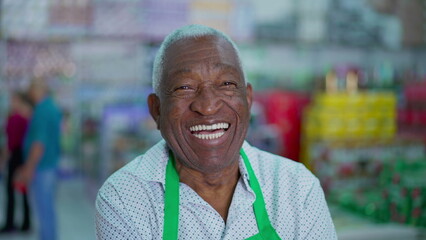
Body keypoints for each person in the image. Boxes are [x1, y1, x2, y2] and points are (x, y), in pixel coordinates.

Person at [95, 25, 337, 240]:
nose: (208, 105)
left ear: (248, 99)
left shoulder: (296, 187)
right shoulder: (125, 197)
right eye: (184, 87)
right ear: (156, 110)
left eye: (226, 84)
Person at [15, 79, 62, 240]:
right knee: (47, 210)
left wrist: (28, 168)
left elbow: (38, 144)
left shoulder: (42, 110)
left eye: (31, 90)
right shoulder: (52, 108)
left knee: (43, 211)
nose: (29, 94)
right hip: (50, 165)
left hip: (42, 167)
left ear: (37, 90)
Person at [0, 92, 32, 233]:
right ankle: (26, 223)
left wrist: (3, 160)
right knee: (23, 189)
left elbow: (11, 143)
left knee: (10, 190)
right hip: (23, 156)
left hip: (15, 156)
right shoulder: (26, 119)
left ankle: (10, 222)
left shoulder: (14, 118)